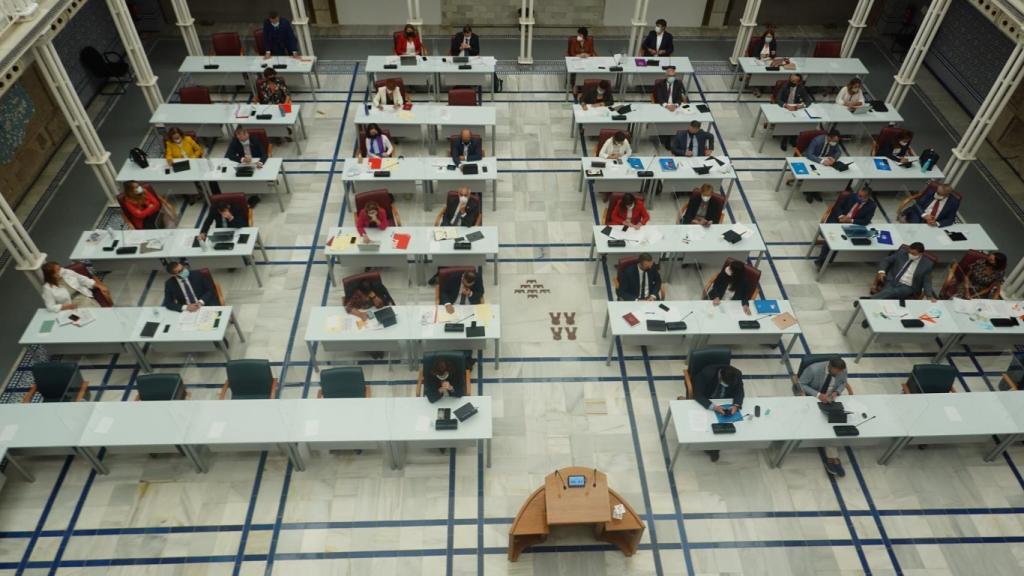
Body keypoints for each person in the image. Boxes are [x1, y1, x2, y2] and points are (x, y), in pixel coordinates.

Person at [794, 357, 850, 477]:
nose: (837, 374)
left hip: (830, 399)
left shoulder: (842, 371)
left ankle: (832, 456)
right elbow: (801, 384)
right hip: (812, 397)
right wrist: (819, 395)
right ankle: (832, 457)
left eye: (839, 373)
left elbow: (843, 383)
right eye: (835, 372)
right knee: (824, 424)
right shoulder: (813, 370)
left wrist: (837, 392)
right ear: (829, 366)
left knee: (834, 423)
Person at [692, 364, 745, 462]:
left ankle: (718, 443)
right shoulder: (707, 374)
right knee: (707, 425)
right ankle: (712, 448)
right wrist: (713, 407)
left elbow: (739, 391)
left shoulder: (737, 374)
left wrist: (736, 405)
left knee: (733, 425)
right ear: (720, 376)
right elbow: (697, 394)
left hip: (726, 402)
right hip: (707, 400)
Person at [815, 187, 877, 267]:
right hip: (837, 220)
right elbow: (838, 207)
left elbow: (866, 221)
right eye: (858, 195)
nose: (858, 197)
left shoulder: (872, 206)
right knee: (831, 239)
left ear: (867, 197)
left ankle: (830, 259)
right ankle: (821, 261)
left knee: (846, 242)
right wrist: (841, 216)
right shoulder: (851, 196)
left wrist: (850, 220)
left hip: (852, 224)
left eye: (861, 197)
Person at [869, 242, 937, 302]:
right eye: (909, 252)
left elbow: (927, 281)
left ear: (921, 254)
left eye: (913, 253)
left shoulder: (927, 264)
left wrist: (929, 295)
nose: (910, 254)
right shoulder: (901, 253)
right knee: (887, 294)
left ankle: (870, 301)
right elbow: (886, 260)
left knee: (889, 292)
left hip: (907, 286)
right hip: (892, 280)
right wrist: (881, 271)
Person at [776, 74, 812, 149]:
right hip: (784, 108)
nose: (791, 82)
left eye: (794, 81)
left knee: (798, 121)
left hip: (796, 108)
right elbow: (778, 99)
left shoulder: (801, 88)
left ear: (798, 82)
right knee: (788, 122)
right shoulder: (784, 86)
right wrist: (786, 105)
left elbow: (808, 100)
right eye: (791, 80)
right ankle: (785, 139)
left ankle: (793, 137)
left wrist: (801, 105)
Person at [749, 25, 778, 96]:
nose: (769, 38)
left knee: (773, 69)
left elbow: (773, 54)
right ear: (764, 36)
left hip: (768, 61)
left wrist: (770, 56)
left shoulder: (773, 43)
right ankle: (757, 87)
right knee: (761, 71)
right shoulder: (759, 42)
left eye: (770, 37)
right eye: (767, 36)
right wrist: (761, 56)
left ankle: (770, 85)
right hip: (758, 60)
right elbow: (755, 53)